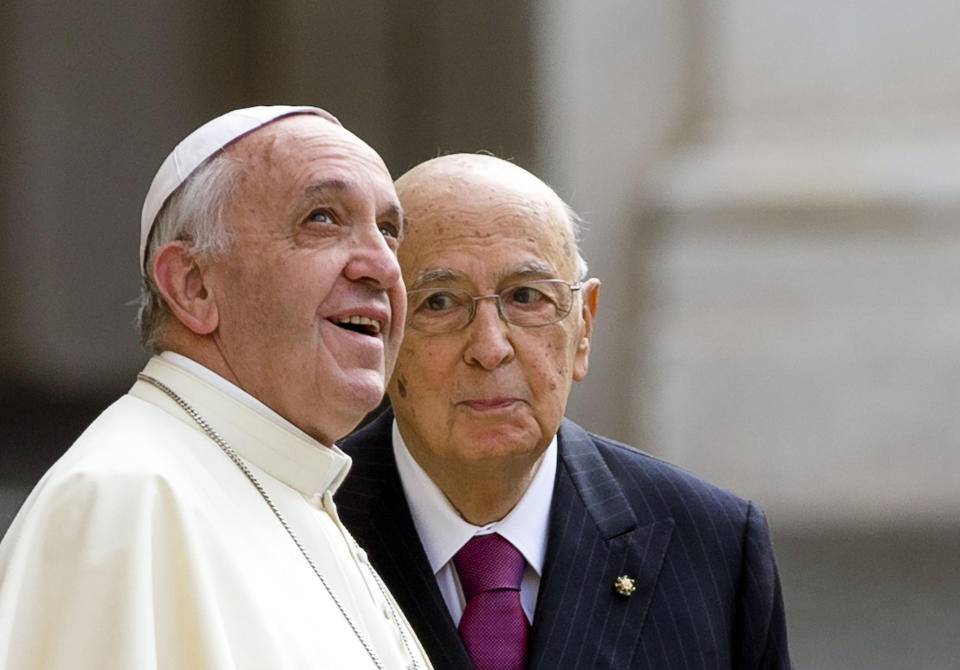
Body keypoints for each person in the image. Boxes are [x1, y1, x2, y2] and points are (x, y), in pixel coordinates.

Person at [0, 105, 433, 670]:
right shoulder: (123, 501)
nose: (383, 266)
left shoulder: (298, 486)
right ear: (193, 286)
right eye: (323, 218)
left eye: (389, 231)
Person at [336, 153, 793, 669]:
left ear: (584, 329)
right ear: (382, 329)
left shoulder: (714, 546)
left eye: (527, 297)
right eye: (439, 301)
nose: (489, 348)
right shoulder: (304, 523)